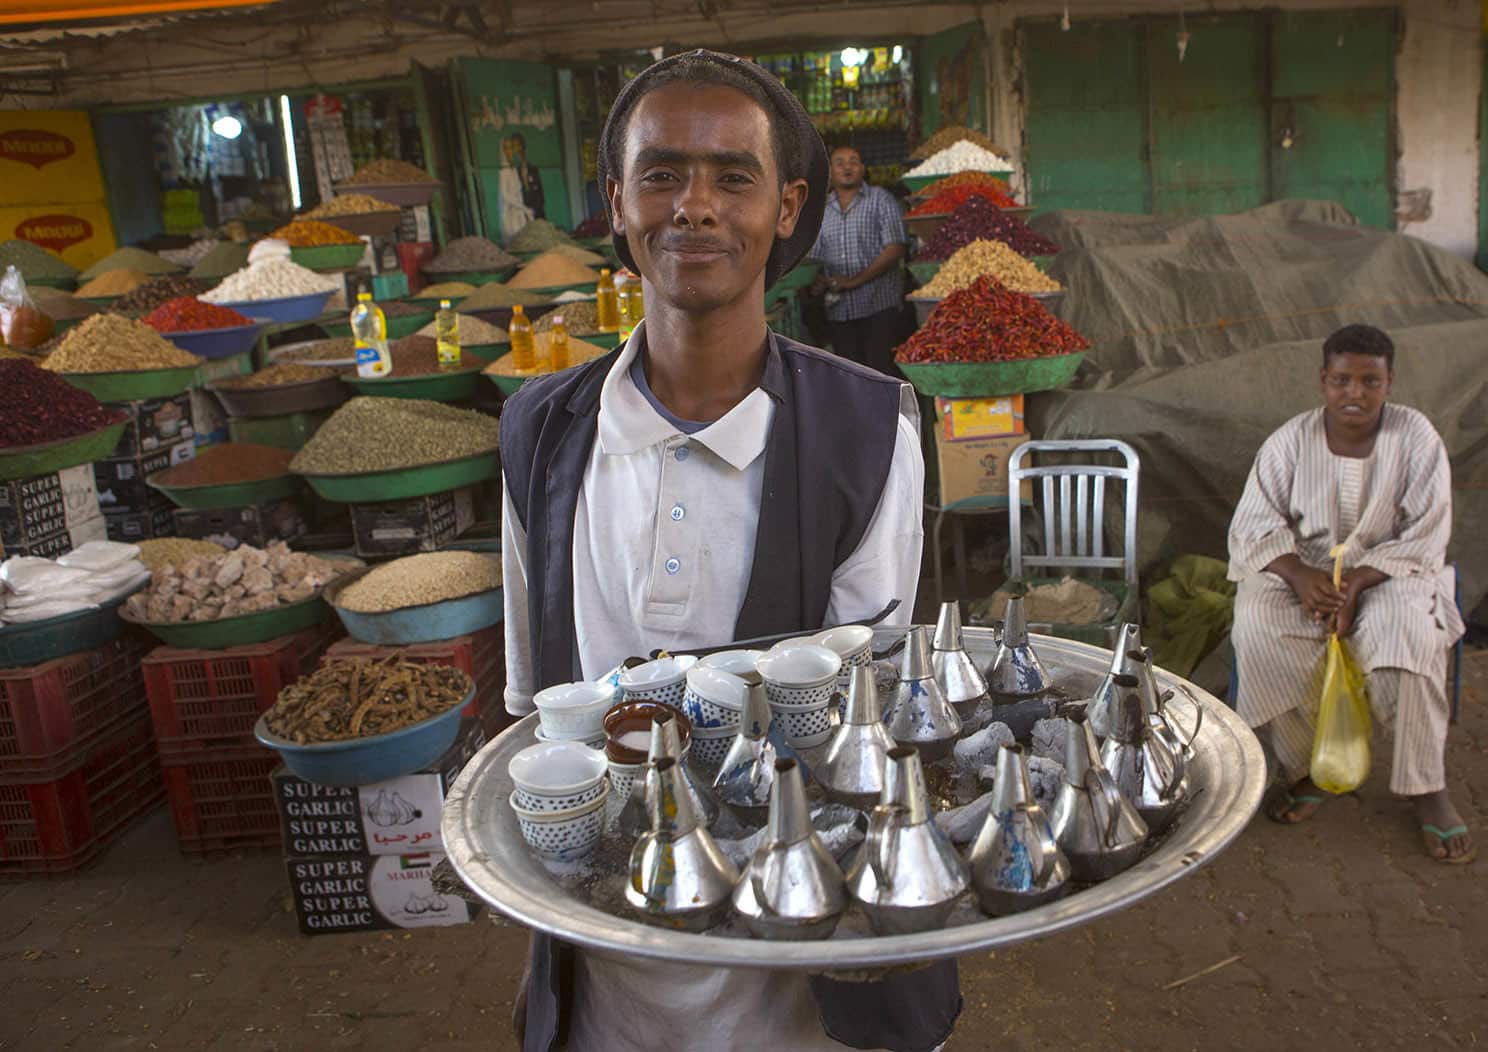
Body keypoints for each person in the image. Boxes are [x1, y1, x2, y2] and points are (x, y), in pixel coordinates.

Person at [498, 48, 957, 1052]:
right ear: (616, 201)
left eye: (732, 176)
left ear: (790, 207)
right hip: (610, 970)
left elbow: (862, 717)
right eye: (660, 173)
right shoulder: (538, 431)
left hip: (800, 974)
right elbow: (538, 710)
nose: (693, 205)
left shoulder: (871, 425)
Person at [1228, 324, 1472, 864]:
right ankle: (1309, 767)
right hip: (1305, 571)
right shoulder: (1290, 440)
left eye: (1369, 380)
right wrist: (1297, 575)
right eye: (1342, 380)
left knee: (1405, 639)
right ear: (1323, 380)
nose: (1354, 393)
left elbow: (1427, 533)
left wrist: (1359, 581)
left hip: (1392, 574)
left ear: (1390, 382)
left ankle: (1426, 788)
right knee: (1260, 625)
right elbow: (1252, 526)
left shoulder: (1417, 438)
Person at [807, 144, 908, 375]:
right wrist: (819, 281)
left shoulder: (881, 200)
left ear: (862, 169)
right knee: (849, 379)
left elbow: (895, 248)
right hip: (839, 311)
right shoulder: (822, 210)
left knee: (881, 373)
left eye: (853, 161)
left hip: (878, 307)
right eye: (840, 163)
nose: (847, 167)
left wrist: (854, 281)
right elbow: (814, 259)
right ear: (830, 171)